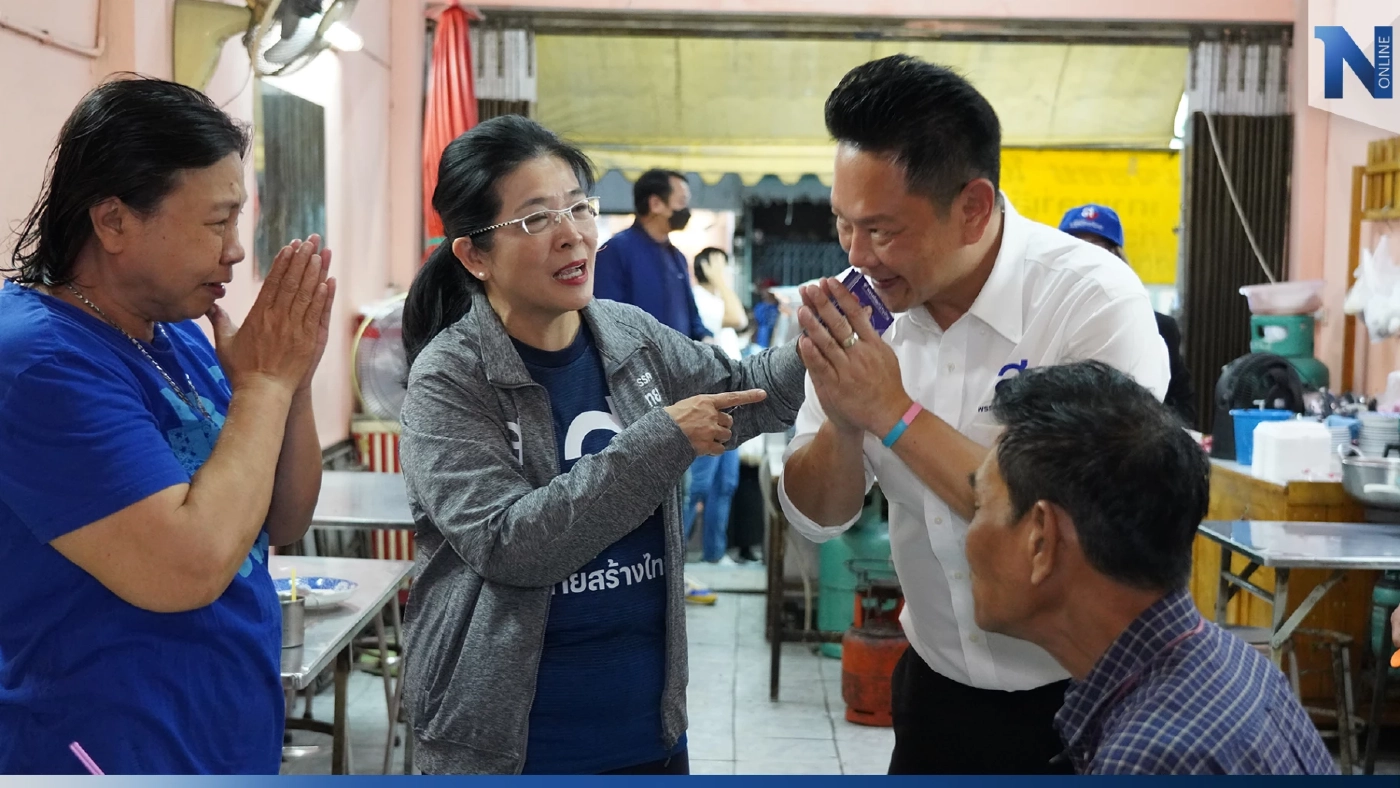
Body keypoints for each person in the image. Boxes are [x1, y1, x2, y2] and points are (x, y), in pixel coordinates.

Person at [778, 54, 1170, 775]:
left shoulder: (1089, 301)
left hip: (1085, 699)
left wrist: (891, 411)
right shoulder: (865, 305)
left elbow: (1062, 525)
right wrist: (840, 419)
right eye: (844, 226)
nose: (858, 257)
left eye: (884, 231)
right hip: (934, 689)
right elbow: (817, 516)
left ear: (974, 208)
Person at [397, 115, 805, 775]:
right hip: (513, 747)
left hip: (646, 732)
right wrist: (663, 441)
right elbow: (510, 544)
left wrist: (820, 339)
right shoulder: (451, 378)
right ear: (474, 255)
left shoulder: (628, 336)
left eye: (580, 208)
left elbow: (742, 390)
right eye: (535, 219)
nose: (573, 235)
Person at [0, 76, 334, 774]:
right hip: (106, 748)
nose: (237, 251)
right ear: (114, 221)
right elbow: (185, 569)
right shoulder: (39, 360)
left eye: (239, 221)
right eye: (217, 223)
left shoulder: (174, 333)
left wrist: (289, 382)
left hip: (219, 731)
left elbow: (281, 518)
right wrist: (265, 386)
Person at [965, 360, 1334, 774]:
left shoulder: (1150, 758)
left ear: (1041, 540)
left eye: (979, 506)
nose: (968, 538)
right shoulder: (1229, 663)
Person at [1059, 204, 1196, 425]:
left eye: (1096, 249)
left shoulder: (1157, 327)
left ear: (1117, 258)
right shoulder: (1037, 321)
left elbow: (1183, 411)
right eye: (1073, 248)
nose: (1083, 260)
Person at [592, 168, 709, 342]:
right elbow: (607, 322)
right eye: (681, 202)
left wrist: (706, 338)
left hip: (680, 365)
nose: (686, 210)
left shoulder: (677, 257)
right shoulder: (616, 251)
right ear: (655, 204)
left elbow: (692, 316)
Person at [684, 248, 747, 565]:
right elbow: (738, 318)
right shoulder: (698, 298)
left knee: (725, 485)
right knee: (698, 485)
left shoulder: (716, 299)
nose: (727, 270)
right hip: (708, 402)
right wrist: (720, 278)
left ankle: (714, 554)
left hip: (733, 404)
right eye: (722, 264)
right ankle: (674, 558)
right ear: (707, 267)